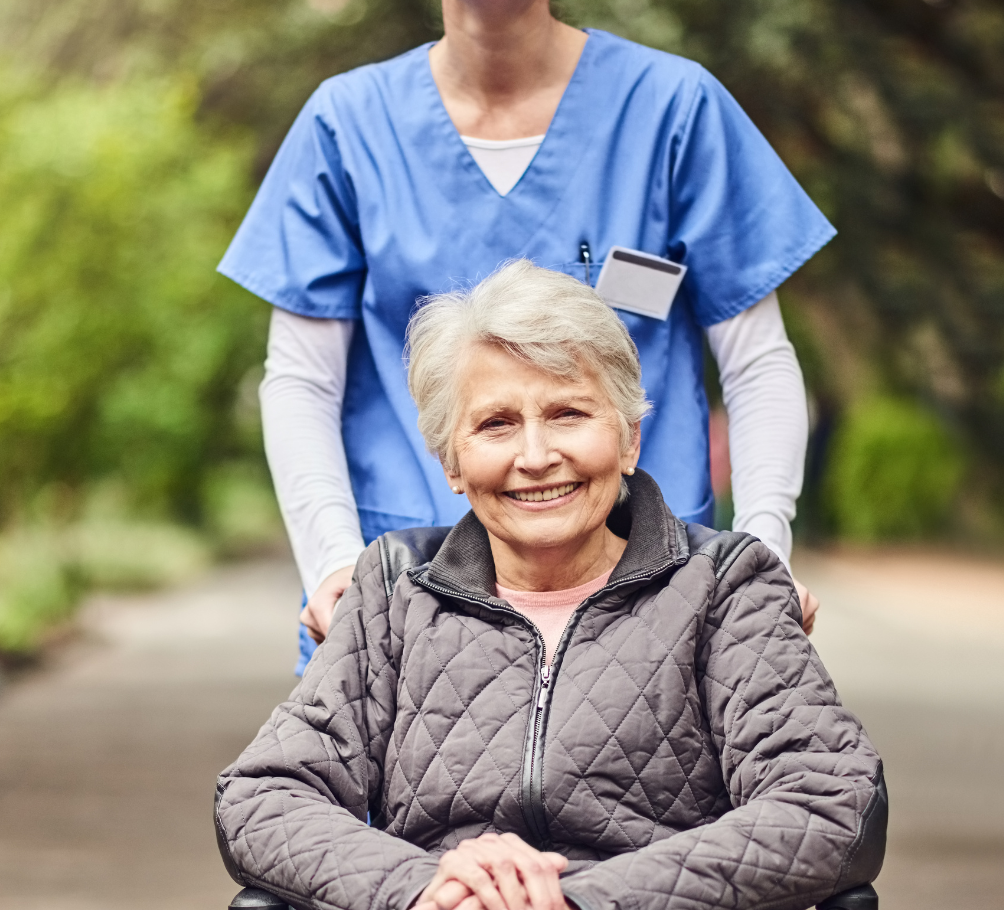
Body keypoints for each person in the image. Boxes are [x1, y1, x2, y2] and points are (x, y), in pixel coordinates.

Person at [218, 0, 833, 671]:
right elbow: (300, 381)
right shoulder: (344, 128)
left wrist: (764, 550)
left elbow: (759, 362)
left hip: (653, 604)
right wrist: (335, 566)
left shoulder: (672, 111)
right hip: (409, 603)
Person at [215, 262, 886, 910]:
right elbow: (263, 797)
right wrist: (424, 887)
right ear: (452, 461)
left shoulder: (726, 585)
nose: (535, 457)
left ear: (627, 439)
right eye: (496, 424)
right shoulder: (393, 589)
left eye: (568, 414)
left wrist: (579, 900)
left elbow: (830, 801)